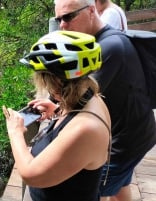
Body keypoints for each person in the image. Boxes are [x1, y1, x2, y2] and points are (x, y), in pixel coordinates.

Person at [53, 0, 156, 200]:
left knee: (82, 191)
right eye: (59, 19)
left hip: (124, 143)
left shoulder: (106, 48)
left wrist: (57, 110)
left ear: (91, 11)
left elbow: (80, 102)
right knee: (119, 186)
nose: (63, 25)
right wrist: (55, 105)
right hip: (138, 133)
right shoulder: (100, 42)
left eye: (68, 17)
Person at [3, 30, 111, 201]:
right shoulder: (90, 97)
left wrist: (15, 132)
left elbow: (30, 174)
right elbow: (74, 124)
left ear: (57, 81)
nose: (44, 86)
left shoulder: (86, 129)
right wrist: (58, 110)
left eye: (43, 80)